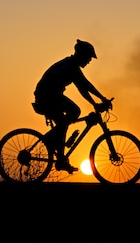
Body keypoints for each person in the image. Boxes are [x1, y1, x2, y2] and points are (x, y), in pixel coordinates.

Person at [32, 39, 112, 173]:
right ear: (82, 55)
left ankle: (60, 158)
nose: (89, 61)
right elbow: (84, 86)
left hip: (50, 95)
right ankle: (49, 140)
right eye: (88, 58)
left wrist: (98, 101)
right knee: (74, 111)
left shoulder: (71, 65)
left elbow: (84, 86)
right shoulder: (71, 66)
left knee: (63, 124)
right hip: (47, 96)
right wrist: (99, 101)